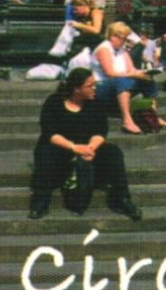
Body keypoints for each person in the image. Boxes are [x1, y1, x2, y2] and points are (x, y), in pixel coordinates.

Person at [28, 68, 141, 221]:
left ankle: (122, 199)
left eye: (95, 84)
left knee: (113, 152)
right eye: (90, 86)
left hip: (88, 148)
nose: (95, 88)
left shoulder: (96, 103)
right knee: (45, 153)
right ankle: (40, 202)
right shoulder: (54, 102)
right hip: (62, 148)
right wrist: (74, 148)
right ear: (77, 89)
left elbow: (101, 131)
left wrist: (90, 148)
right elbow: (49, 133)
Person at [93, 21, 157, 135]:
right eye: (123, 39)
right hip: (101, 87)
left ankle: (153, 115)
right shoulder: (103, 49)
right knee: (122, 81)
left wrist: (144, 72)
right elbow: (110, 73)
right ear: (113, 37)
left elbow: (131, 69)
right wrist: (132, 74)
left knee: (147, 80)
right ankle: (127, 120)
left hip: (117, 85)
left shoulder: (122, 51)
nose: (124, 42)